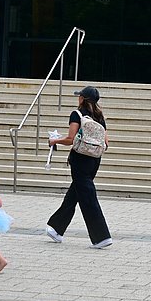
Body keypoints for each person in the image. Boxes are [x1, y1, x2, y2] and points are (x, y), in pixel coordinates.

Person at [45, 85, 113, 249]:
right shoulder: (99, 116)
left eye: (79, 96)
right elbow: (106, 142)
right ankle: (56, 228)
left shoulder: (77, 114)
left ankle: (101, 237)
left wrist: (54, 141)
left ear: (82, 99)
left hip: (80, 159)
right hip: (95, 160)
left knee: (88, 197)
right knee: (75, 192)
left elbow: (70, 138)